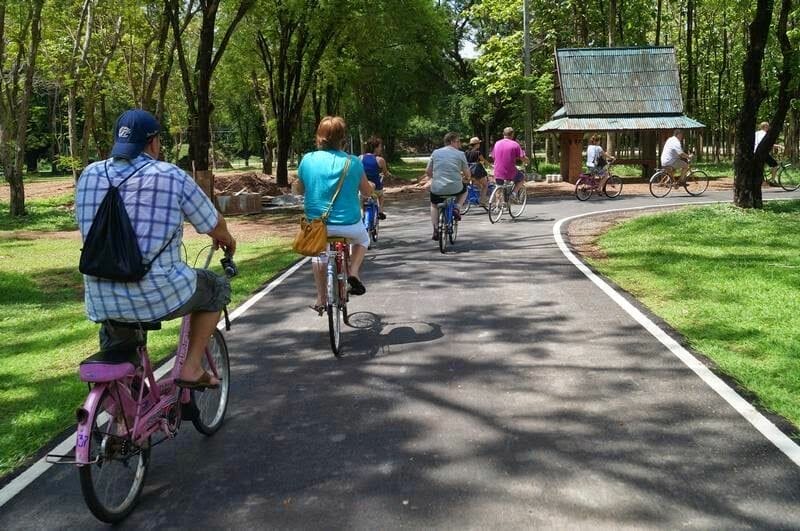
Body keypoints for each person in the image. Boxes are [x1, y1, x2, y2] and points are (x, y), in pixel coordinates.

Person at [76, 109, 236, 390]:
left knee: (118, 331)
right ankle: (191, 366)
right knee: (216, 288)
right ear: (153, 143)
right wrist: (226, 239)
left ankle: (120, 413)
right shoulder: (170, 175)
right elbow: (212, 222)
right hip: (157, 294)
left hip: (101, 298)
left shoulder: (89, 174)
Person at [295, 116, 374, 314]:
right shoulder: (353, 162)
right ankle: (353, 272)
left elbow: (299, 190)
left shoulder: (308, 160)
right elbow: (366, 192)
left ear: (319, 137)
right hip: (349, 225)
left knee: (319, 256)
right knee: (363, 239)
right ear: (343, 138)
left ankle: (321, 298)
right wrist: (370, 187)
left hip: (317, 226)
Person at [426, 132, 471, 241]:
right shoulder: (460, 154)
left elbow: (428, 171)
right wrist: (466, 179)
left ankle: (436, 229)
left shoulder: (435, 153)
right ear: (451, 141)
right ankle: (457, 207)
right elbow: (467, 174)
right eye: (458, 141)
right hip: (455, 187)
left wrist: (434, 177)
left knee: (434, 204)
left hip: (437, 188)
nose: (459, 144)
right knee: (465, 191)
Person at [489, 127, 528, 196]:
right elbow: (522, 157)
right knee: (521, 178)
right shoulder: (515, 144)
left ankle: (498, 204)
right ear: (512, 134)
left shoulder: (497, 143)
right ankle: (514, 193)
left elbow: (493, 156)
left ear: (503, 134)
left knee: (499, 187)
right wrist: (527, 161)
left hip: (497, 171)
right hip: (510, 171)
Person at [359, 136, 389, 219]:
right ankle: (380, 211)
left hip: (364, 188)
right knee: (381, 196)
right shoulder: (380, 160)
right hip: (376, 189)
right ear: (375, 148)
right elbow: (385, 173)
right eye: (380, 147)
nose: (381, 149)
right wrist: (386, 174)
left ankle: (361, 213)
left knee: (361, 199)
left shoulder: (360, 158)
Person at [465, 137, 489, 206]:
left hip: (469, 171)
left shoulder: (466, 152)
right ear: (476, 144)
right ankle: (482, 201)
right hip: (476, 172)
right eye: (479, 143)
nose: (479, 144)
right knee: (485, 185)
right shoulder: (478, 153)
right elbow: (484, 161)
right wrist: (491, 166)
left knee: (478, 185)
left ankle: (478, 198)